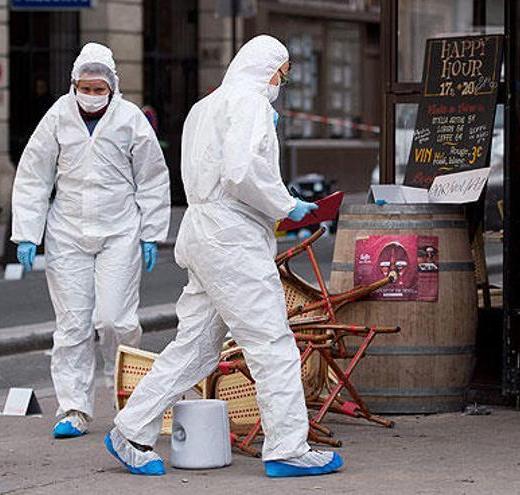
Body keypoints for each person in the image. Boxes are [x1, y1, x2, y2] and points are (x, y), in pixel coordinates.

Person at [105, 35, 342, 478]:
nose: (280, 82)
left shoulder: (204, 106)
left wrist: (273, 202)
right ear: (267, 68)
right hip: (232, 240)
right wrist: (285, 203)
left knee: (195, 346)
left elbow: (211, 173)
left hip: (202, 232)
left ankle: (130, 428)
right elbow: (241, 172)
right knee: (271, 342)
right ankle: (288, 448)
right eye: (280, 73)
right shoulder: (249, 102)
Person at [11, 43, 170, 439]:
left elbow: (152, 177)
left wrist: (152, 232)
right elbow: (34, 175)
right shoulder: (57, 118)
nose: (93, 94)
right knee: (72, 327)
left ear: (113, 87)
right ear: (74, 84)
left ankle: (129, 398)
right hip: (67, 233)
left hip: (119, 231)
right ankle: (74, 408)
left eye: (100, 88)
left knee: (116, 319)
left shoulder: (130, 119)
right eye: (86, 86)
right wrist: (27, 233)